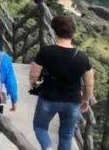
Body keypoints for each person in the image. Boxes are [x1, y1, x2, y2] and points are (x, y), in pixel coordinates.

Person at [31, 15, 95, 150]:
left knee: (40, 127)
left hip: (48, 98)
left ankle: (47, 147)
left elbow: (34, 75)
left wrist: (35, 86)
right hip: (72, 101)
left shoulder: (46, 52)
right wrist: (85, 100)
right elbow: (89, 83)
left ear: (55, 31)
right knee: (66, 135)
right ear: (73, 33)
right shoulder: (82, 57)